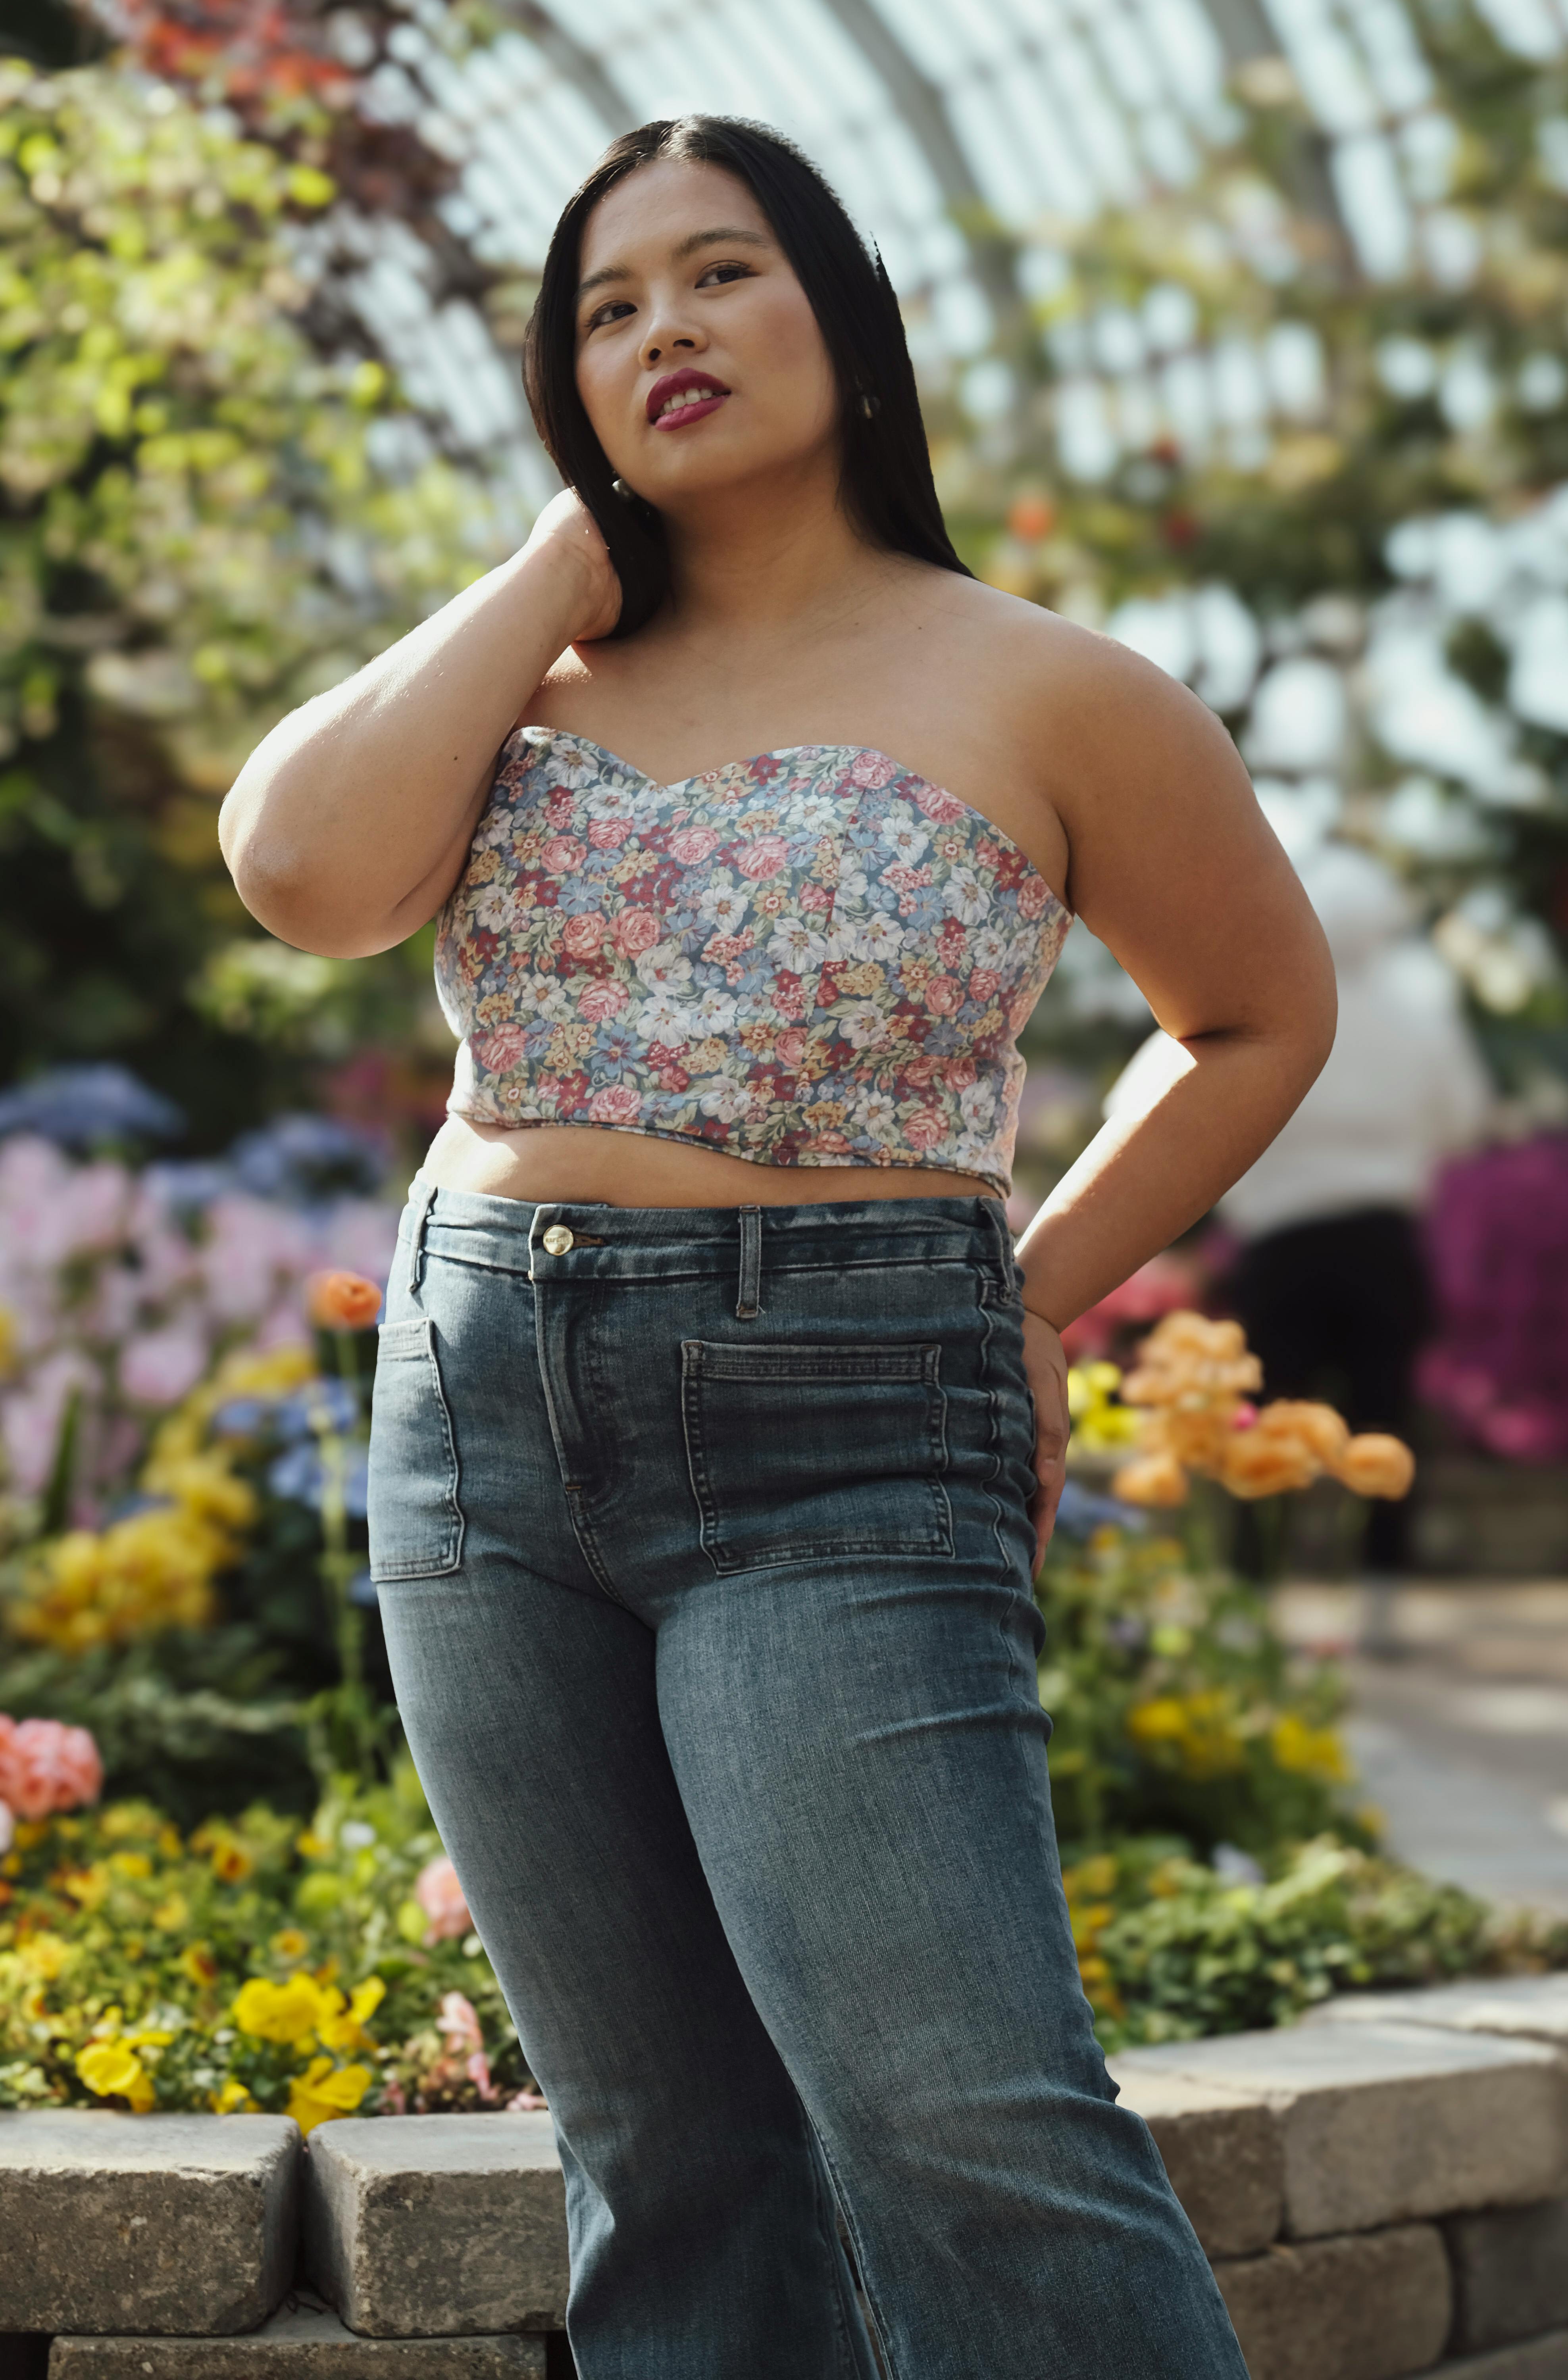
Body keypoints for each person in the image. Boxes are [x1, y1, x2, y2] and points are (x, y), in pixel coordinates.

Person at [220, 115, 1332, 2379]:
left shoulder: (1048, 686)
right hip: (475, 1419)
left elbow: (1254, 1017)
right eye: (608, 310)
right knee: (660, 2148)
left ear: (846, 316)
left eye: (720, 275)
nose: (664, 331)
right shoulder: (514, 686)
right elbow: (307, 877)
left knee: (965, 2126)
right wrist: (553, 563)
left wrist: (1032, 1291)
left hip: (848, 1403)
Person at [1106, 844, 1490, 1644]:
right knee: (1385, 1424)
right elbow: (1465, 1121)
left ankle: (1250, 1605)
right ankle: (1382, 1603)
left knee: (1261, 1425)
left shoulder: (1261, 1006)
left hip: (1280, 1245)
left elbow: (1139, 1099)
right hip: (1384, 1243)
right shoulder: (1420, 1021)